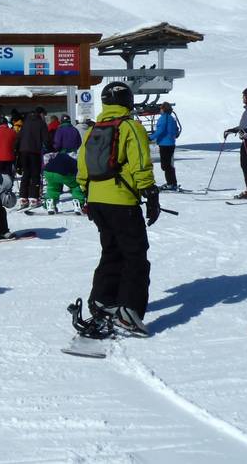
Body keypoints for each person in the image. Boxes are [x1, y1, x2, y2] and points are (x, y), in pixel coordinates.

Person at [77, 81, 159, 336]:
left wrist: (86, 193)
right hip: (121, 200)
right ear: (127, 101)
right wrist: (150, 192)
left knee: (111, 250)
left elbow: (82, 165)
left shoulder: (93, 129)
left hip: (97, 200)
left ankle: (103, 300)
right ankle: (129, 310)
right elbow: (140, 162)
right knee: (135, 255)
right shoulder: (129, 126)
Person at [15, 107, 49, 208]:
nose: (44, 116)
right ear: (40, 114)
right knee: (35, 174)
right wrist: (51, 148)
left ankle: (23, 198)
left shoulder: (26, 122)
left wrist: (16, 149)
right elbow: (46, 139)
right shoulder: (41, 123)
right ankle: (34, 198)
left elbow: (19, 137)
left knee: (26, 173)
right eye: (44, 114)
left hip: (23, 151)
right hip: (34, 151)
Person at [149, 102, 180, 191]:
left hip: (164, 144)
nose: (160, 110)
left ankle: (171, 183)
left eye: (161, 108)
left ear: (163, 109)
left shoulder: (163, 119)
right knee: (167, 165)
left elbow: (160, 131)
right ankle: (172, 183)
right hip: (171, 144)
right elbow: (175, 130)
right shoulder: (171, 118)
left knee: (165, 165)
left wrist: (150, 137)